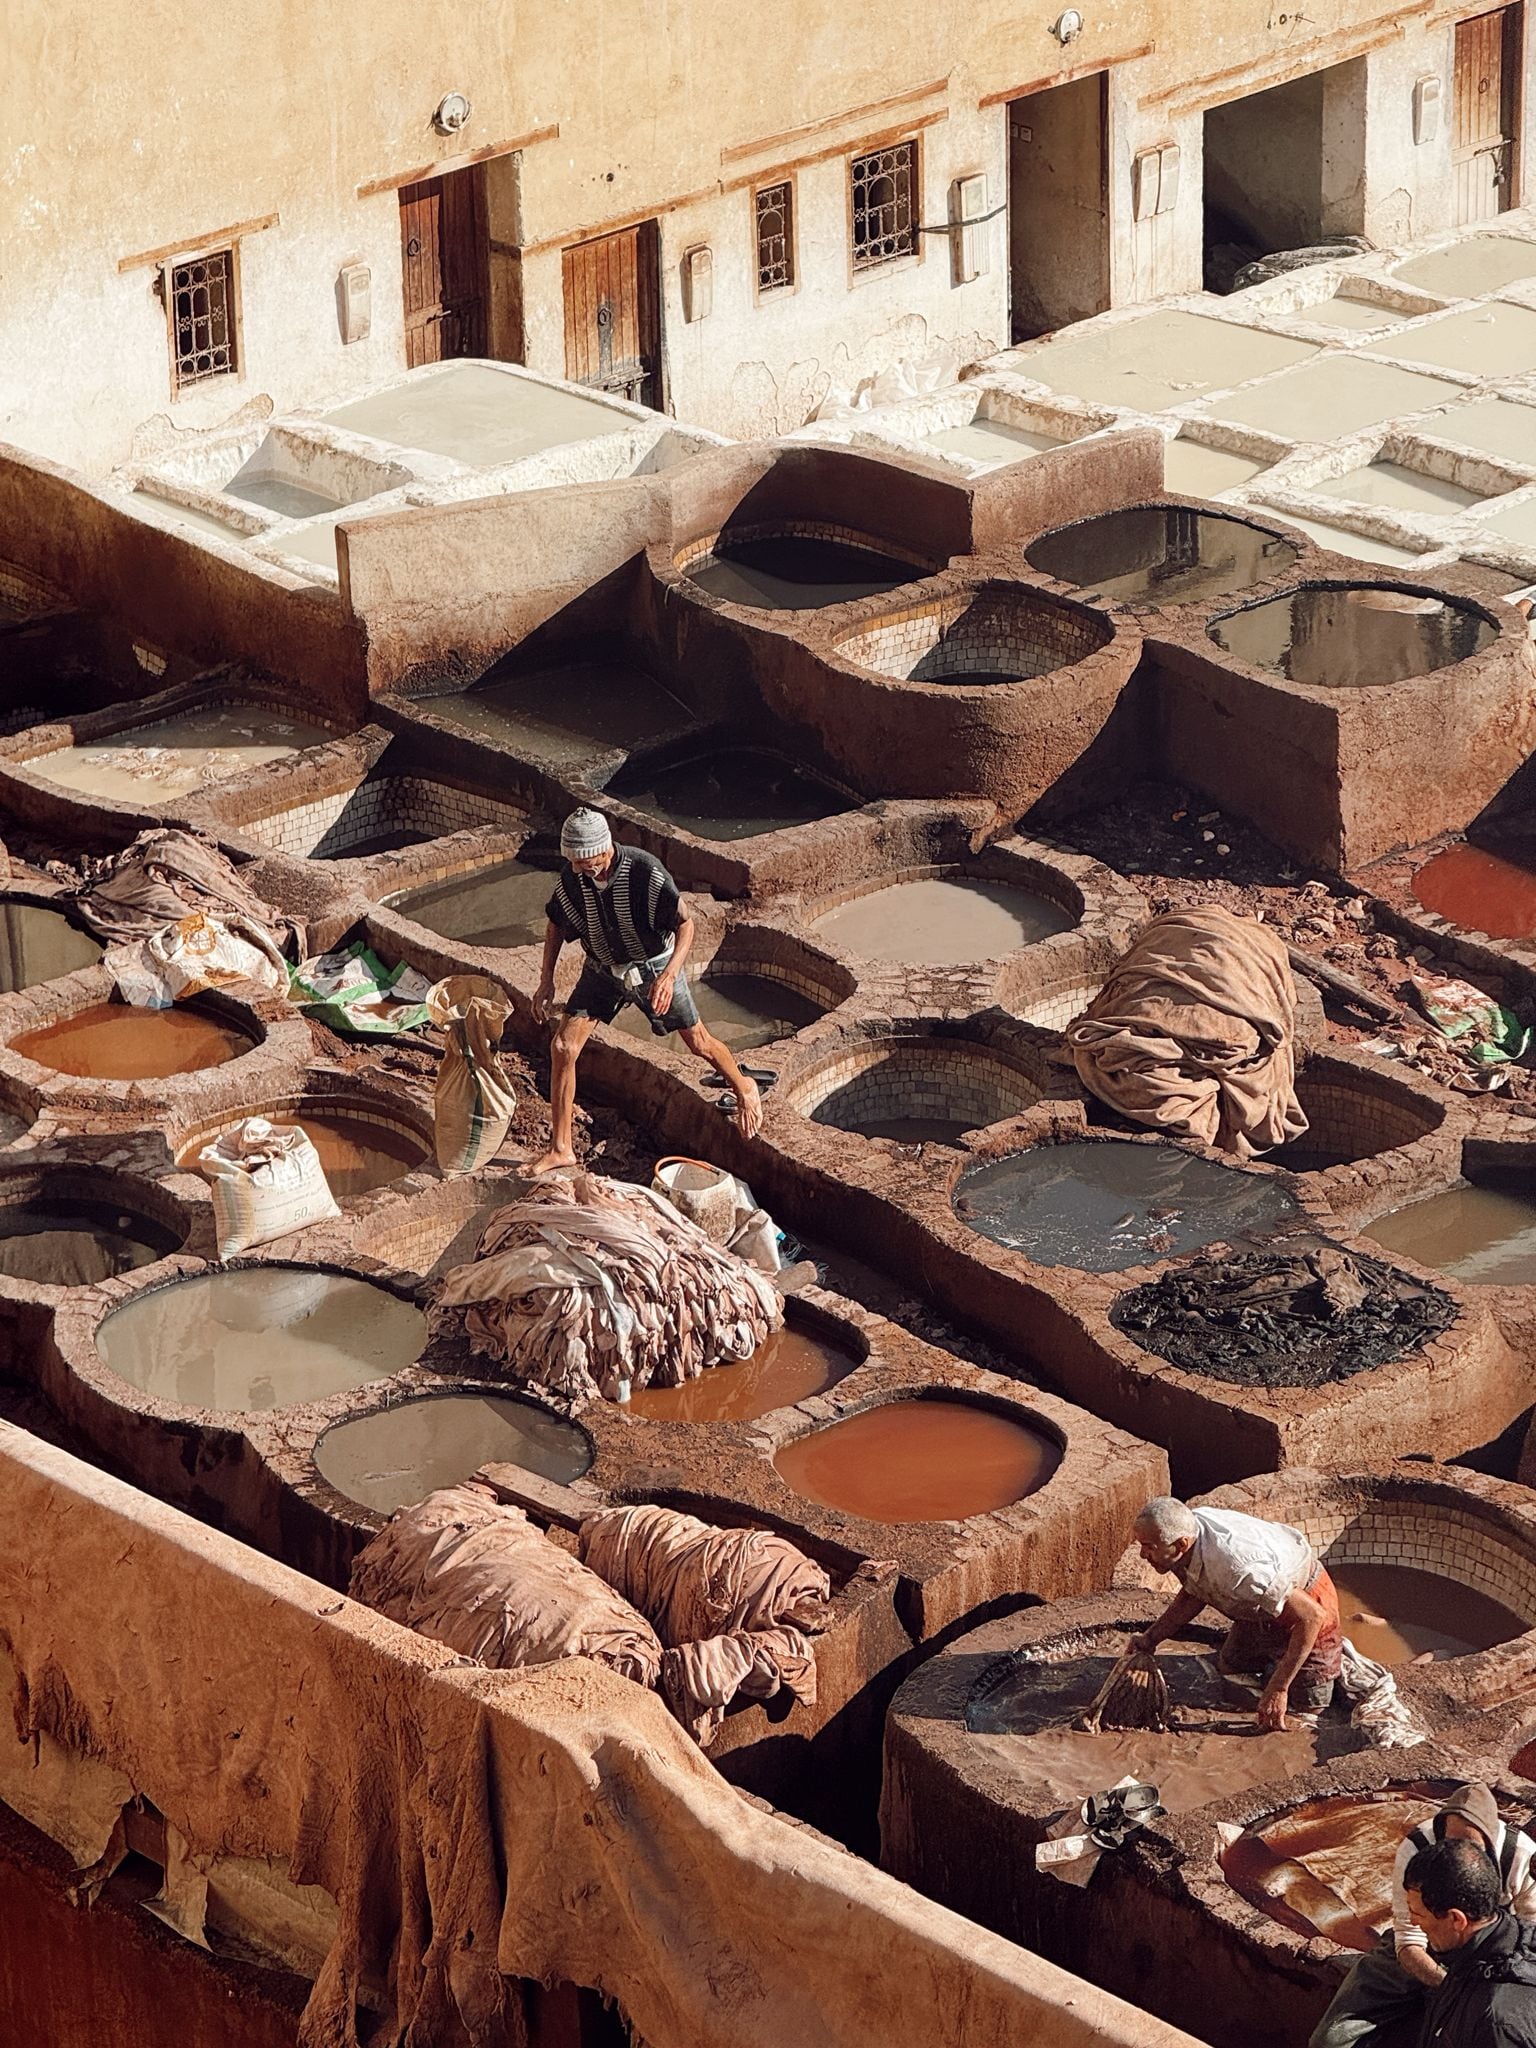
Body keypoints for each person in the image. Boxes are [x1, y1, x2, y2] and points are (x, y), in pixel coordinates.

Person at [531, 808, 763, 1174]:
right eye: (572, 861)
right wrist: (547, 980)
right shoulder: (573, 877)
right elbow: (556, 923)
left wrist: (669, 976)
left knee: (699, 1042)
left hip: (654, 966)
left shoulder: (645, 871)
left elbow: (685, 925)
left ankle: (742, 1085)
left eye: (583, 860)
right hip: (603, 970)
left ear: (604, 848)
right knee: (563, 1046)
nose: (577, 869)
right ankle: (562, 1149)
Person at [1311, 1782, 1536, 2048]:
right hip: (1430, 1938)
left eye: (1468, 1848)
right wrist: (1449, 1988)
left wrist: (1468, 1998)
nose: (1456, 1854)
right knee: (1332, 2039)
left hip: (1495, 1945)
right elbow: (1409, 1939)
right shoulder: (1418, 1847)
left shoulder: (1521, 1854)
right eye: (1450, 1843)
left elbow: (1529, 1932)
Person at [1129, 1495, 1341, 1732]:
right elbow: (1194, 1592)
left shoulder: (1240, 1570)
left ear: (1181, 1545)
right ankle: (1278, 1662)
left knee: (1308, 1707)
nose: (1142, 1555)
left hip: (1308, 1596)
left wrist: (1279, 1689)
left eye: (1149, 1547)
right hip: (1258, 1607)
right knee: (1231, 1667)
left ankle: (1291, 1674)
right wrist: (1150, 1638)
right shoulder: (1188, 1534)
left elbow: (1312, 1617)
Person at [1405, 1837, 1536, 2047]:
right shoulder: (1482, 1950)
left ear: (1457, 1919)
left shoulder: (1497, 2024)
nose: (1412, 1921)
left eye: (1417, 1913)